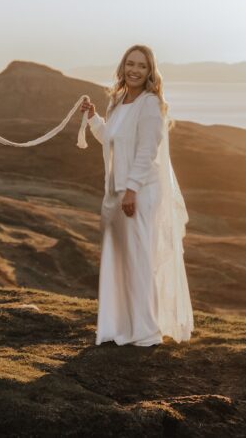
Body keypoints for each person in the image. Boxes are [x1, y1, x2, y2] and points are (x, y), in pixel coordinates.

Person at [80, 44, 193, 345]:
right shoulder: (118, 102)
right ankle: (121, 328)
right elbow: (112, 140)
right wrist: (93, 119)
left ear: (150, 71)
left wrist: (131, 190)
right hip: (117, 193)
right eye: (130, 64)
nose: (134, 70)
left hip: (140, 192)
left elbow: (146, 151)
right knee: (120, 260)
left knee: (139, 260)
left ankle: (145, 331)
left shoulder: (151, 104)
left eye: (141, 66)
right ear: (122, 67)